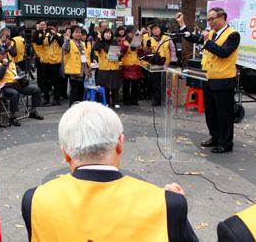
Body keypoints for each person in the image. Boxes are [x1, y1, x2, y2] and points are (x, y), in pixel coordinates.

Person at [21, 101, 198, 241]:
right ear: (120, 144)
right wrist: (176, 212)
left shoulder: (34, 200)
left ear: (65, 153)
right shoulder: (167, 204)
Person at [178, 9, 240, 153]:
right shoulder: (211, 34)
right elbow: (193, 38)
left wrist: (206, 41)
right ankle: (215, 137)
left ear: (222, 17)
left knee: (224, 114)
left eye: (213, 19)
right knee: (211, 112)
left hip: (224, 80)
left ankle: (225, 143)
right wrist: (182, 24)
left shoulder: (233, 35)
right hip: (208, 78)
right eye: (209, 20)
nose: (210, 22)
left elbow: (223, 52)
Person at [0, 46, 43, 126]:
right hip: (6, 87)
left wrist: (22, 76)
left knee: (36, 90)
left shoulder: (11, 63)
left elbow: (18, 72)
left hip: (18, 85)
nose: (5, 55)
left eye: (5, 53)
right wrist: (4, 65)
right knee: (15, 94)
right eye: (2, 54)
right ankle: (12, 117)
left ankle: (33, 111)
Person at [144, 24, 177, 106]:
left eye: (157, 29)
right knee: (155, 83)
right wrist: (147, 46)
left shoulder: (167, 38)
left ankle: (166, 100)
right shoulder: (150, 39)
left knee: (166, 83)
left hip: (166, 64)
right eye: (153, 29)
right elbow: (146, 52)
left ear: (160, 30)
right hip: (155, 65)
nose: (155, 31)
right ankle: (156, 100)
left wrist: (173, 60)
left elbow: (172, 49)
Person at [63, 25, 91, 106]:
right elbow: (65, 48)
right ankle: (72, 108)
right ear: (72, 33)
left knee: (81, 91)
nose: (78, 34)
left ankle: (79, 107)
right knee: (74, 91)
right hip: (74, 71)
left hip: (82, 71)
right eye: (76, 32)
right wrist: (67, 39)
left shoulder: (82, 43)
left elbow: (86, 56)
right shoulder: (70, 42)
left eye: (79, 32)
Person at [36, 22, 63, 106]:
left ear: (55, 28)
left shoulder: (59, 35)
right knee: (45, 82)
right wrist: (44, 34)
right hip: (45, 61)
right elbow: (38, 42)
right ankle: (46, 98)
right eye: (49, 28)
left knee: (56, 81)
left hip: (55, 62)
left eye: (52, 28)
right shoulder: (45, 35)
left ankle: (56, 98)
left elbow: (61, 43)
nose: (50, 30)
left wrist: (54, 34)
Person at [93, 28, 121, 108]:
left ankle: (116, 102)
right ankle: (107, 101)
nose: (108, 35)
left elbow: (120, 51)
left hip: (114, 67)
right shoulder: (100, 43)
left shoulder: (114, 42)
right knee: (105, 86)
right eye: (106, 33)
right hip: (104, 68)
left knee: (115, 86)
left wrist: (120, 54)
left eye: (110, 33)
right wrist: (98, 38)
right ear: (103, 34)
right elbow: (95, 48)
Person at [120, 25, 143, 105]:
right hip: (127, 64)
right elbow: (121, 51)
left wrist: (140, 48)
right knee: (126, 84)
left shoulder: (137, 40)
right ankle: (126, 100)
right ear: (128, 33)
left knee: (135, 84)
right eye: (131, 33)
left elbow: (140, 53)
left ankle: (134, 99)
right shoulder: (123, 40)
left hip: (135, 64)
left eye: (134, 33)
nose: (133, 34)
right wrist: (125, 47)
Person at [32, 21, 47, 96]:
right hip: (39, 57)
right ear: (37, 25)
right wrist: (38, 30)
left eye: (44, 24)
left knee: (45, 75)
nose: (43, 26)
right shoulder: (36, 33)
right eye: (42, 25)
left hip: (46, 57)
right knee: (40, 74)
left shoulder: (44, 33)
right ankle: (41, 89)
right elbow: (37, 41)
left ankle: (46, 89)